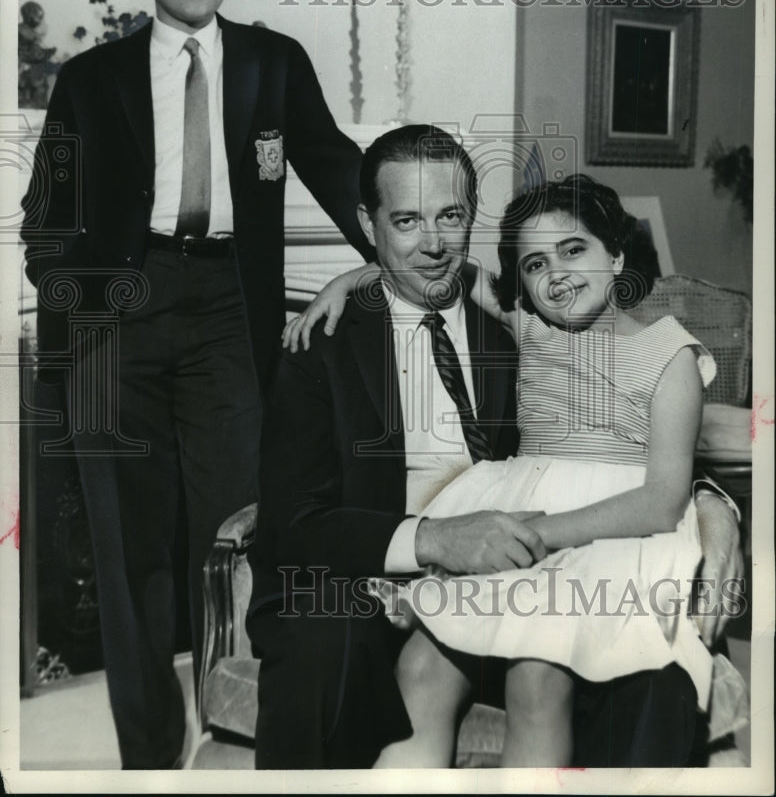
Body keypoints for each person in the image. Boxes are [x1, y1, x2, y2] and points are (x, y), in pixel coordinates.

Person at [248, 126, 743, 769]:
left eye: (450, 217)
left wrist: (716, 508)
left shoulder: (516, 320)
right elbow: (293, 523)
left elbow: (642, 459)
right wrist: (434, 541)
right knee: (365, 657)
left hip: (552, 555)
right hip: (390, 576)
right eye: (406, 221)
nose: (432, 243)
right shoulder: (323, 343)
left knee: (651, 680)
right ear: (369, 224)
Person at [20, 0, 372, 770]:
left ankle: (242, 740)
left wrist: (399, 247)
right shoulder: (90, 78)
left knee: (239, 530)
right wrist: (82, 317)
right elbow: (46, 220)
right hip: (116, 317)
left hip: (226, 311)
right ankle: (148, 758)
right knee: (128, 546)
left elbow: (336, 166)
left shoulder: (272, 62)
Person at [367, 173, 745, 767]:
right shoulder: (531, 327)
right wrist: (347, 281)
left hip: (615, 532)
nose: (557, 274)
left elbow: (663, 499)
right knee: (420, 665)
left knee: (536, 677)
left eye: (574, 250)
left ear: (616, 255)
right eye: (535, 264)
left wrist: (539, 534)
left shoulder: (669, 356)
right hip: (518, 514)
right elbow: (432, 267)